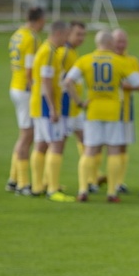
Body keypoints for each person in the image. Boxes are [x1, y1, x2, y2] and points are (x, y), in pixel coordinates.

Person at [64, 30, 139, 203]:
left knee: (90, 150)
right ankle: (111, 193)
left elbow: (68, 82)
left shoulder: (85, 60)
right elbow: (138, 83)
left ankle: (83, 190)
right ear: (110, 44)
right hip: (113, 111)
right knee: (114, 150)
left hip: (93, 110)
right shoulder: (119, 61)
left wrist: (79, 101)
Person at [28, 20, 73, 202]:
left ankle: (38, 185)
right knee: (55, 143)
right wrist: (54, 108)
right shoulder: (49, 53)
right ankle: (52, 189)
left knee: (41, 144)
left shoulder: (47, 50)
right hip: (46, 106)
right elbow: (46, 82)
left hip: (38, 105)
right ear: (59, 34)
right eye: (67, 35)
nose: (68, 39)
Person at [7, 7, 44, 195]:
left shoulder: (17, 35)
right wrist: (35, 89)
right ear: (39, 19)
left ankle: (13, 179)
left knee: (25, 135)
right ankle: (22, 183)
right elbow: (29, 69)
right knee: (27, 136)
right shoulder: (32, 38)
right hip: (25, 89)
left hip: (15, 86)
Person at [57, 21, 89, 188]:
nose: (81, 38)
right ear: (68, 34)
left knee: (86, 141)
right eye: (78, 34)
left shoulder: (72, 52)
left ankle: (90, 178)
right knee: (58, 145)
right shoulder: (63, 53)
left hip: (75, 109)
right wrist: (78, 101)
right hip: (67, 106)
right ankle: (50, 183)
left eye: (83, 35)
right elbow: (64, 82)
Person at [113, 28, 139, 195]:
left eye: (123, 41)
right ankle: (93, 179)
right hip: (107, 108)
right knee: (99, 145)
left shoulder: (132, 60)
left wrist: (125, 85)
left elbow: (138, 82)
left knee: (122, 145)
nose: (120, 45)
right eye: (117, 41)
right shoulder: (108, 59)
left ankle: (118, 181)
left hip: (126, 109)